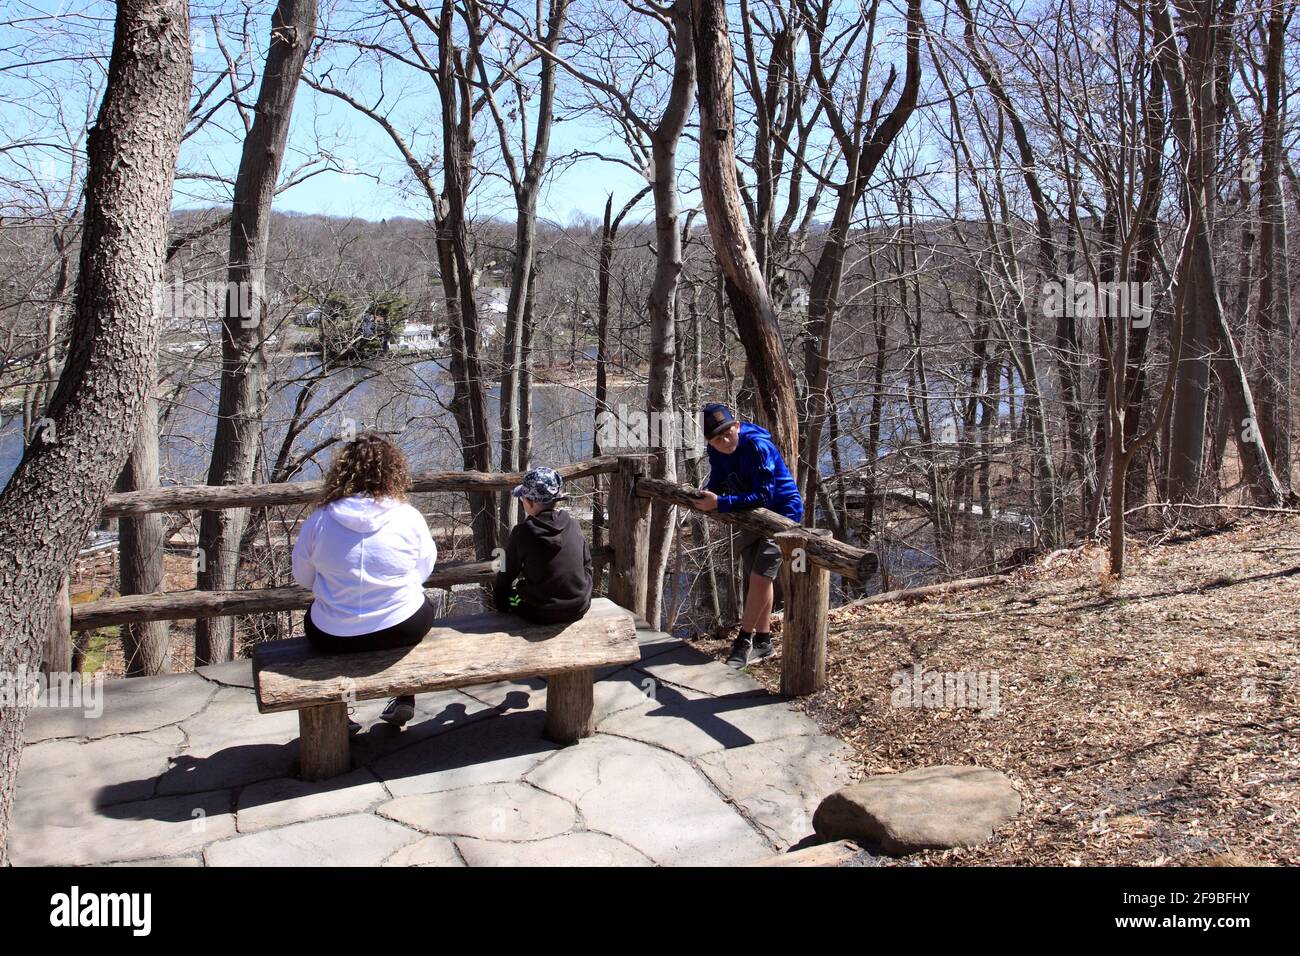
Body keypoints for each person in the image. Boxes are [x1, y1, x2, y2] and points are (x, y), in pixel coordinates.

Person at [291, 432, 436, 730]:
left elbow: (302, 577)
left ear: (342, 473)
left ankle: (340, 714)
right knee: (419, 604)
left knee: (317, 618)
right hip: (401, 627)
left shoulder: (319, 520)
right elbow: (423, 570)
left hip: (333, 636)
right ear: (393, 472)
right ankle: (404, 697)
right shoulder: (408, 516)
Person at [691, 403, 803, 668]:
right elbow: (719, 478)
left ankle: (744, 641)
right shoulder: (715, 451)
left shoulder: (757, 446)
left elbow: (764, 494)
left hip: (782, 515)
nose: (724, 440)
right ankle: (764, 642)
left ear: (737, 426)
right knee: (757, 577)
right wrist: (709, 492)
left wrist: (721, 503)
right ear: (709, 442)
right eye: (717, 438)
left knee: (760, 577)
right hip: (751, 514)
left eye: (728, 432)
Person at [493, 466, 593, 624]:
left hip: (539, 612)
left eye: (523, 499)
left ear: (530, 502)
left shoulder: (522, 532)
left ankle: (510, 608)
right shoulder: (574, 525)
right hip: (580, 606)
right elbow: (587, 564)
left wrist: (501, 602)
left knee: (510, 597)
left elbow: (505, 574)